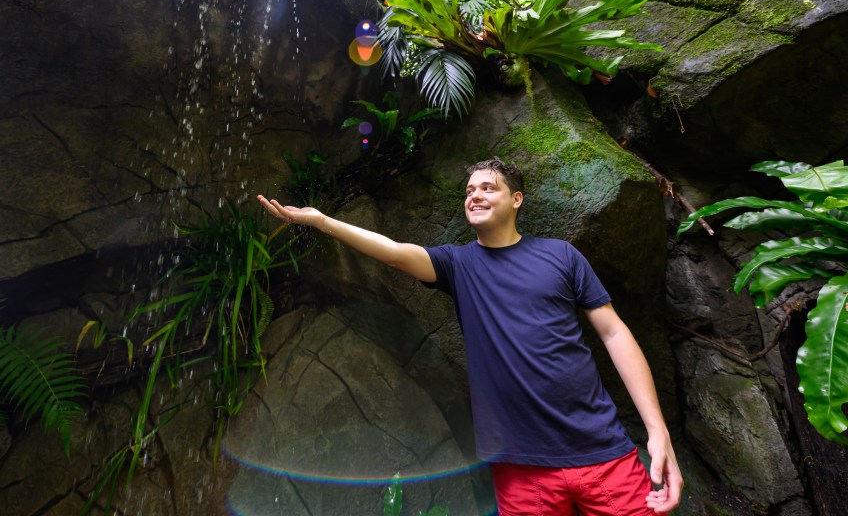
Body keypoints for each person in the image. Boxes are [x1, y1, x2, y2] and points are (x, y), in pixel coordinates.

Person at [257, 157, 682, 515]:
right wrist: (320, 221)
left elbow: (614, 334)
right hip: (519, 466)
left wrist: (656, 430)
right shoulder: (457, 264)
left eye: (487, 188)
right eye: (469, 190)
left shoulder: (561, 255)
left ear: (516, 200)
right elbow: (392, 250)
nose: (473, 195)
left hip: (601, 452)